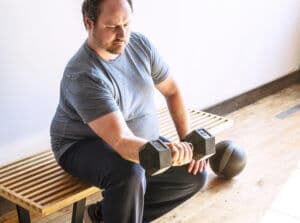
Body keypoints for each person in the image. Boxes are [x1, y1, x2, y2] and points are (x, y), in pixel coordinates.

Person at [50, 0, 207, 222]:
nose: (122, 34)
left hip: (135, 137)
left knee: (194, 174)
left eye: (127, 23)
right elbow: (121, 141)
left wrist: (187, 142)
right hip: (80, 144)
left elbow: (172, 91)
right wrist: (168, 152)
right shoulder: (83, 74)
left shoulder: (140, 45)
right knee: (130, 175)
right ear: (89, 23)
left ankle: (103, 216)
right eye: (112, 26)